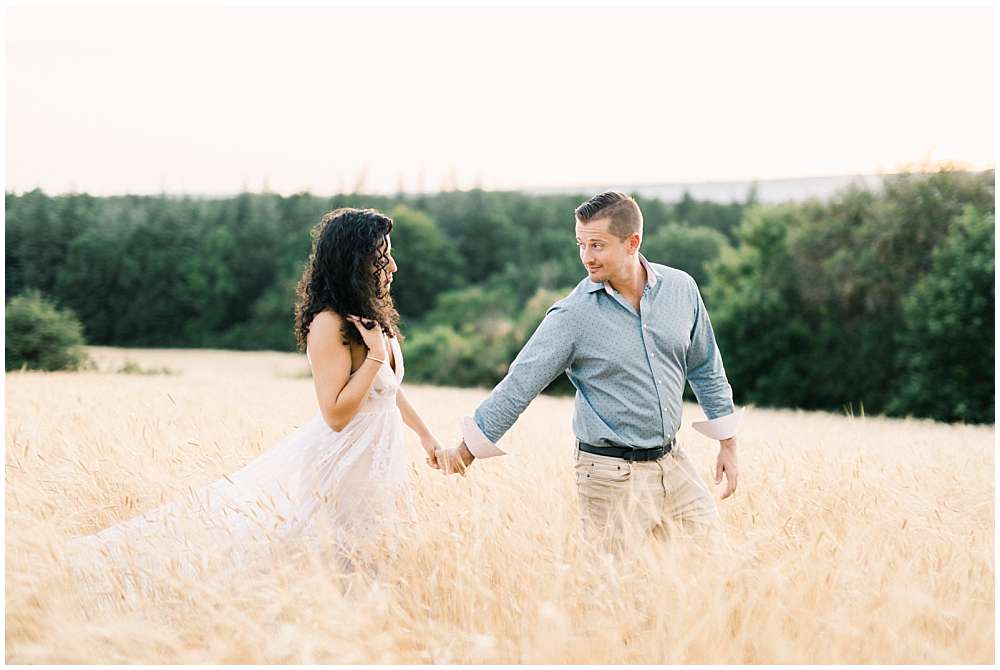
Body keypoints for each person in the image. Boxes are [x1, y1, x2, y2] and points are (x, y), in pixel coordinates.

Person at [64, 207, 443, 603]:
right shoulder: (329, 324)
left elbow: (385, 392)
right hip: (343, 465)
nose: (394, 266)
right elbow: (335, 414)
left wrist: (426, 436)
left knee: (376, 563)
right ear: (357, 260)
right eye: (385, 255)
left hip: (377, 464)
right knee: (337, 563)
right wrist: (378, 356)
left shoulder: (370, 318)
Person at [435, 191, 743, 554]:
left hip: (674, 464)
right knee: (615, 594)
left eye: (597, 245)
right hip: (609, 477)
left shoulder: (681, 289)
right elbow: (520, 384)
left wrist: (728, 444)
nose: (586, 257)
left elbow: (706, 366)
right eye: (581, 244)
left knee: (711, 568)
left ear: (632, 243)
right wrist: (465, 452)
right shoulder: (573, 315)